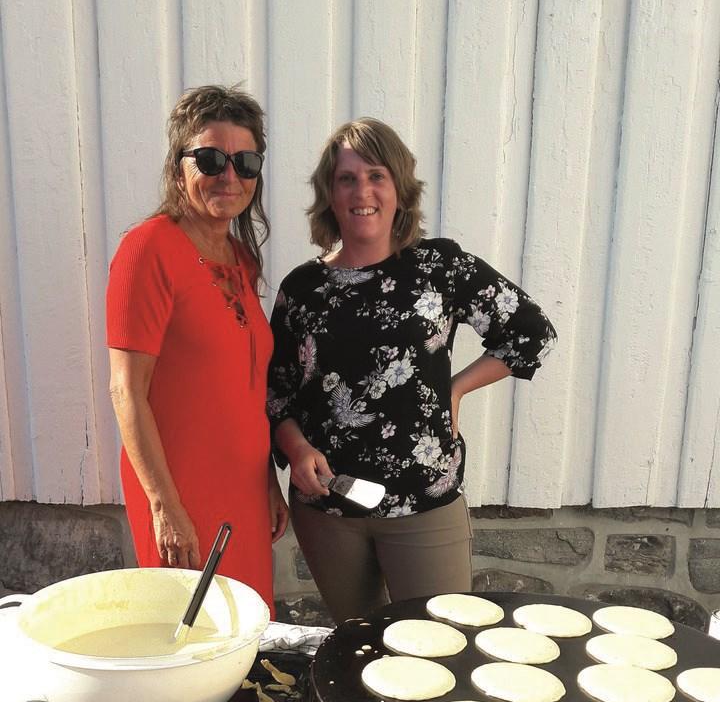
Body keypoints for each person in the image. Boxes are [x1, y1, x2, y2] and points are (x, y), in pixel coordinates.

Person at [267, 117, 556, 623]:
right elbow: (278, 394)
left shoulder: (438, 268)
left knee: (439, 649)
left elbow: (530, 330)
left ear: (400, 188)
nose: (363, 191)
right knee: (356, 648)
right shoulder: (303, 289)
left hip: (425, 501)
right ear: (329, 195)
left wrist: (458, 389)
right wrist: (296, 447)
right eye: (347, 179)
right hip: (329, 510)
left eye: (377, 176)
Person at [106, 84, 288, 615]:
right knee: (192, 639)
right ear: (178, 165)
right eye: (210, 158)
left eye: (245, 161)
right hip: (181, 489)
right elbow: (126, 391)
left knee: (248, 626)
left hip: (243, 489)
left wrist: (267, 482)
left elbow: (245, 387)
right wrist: (164, 506)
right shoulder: (148, 250)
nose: (230, 176)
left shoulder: (238, 257)